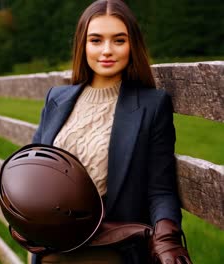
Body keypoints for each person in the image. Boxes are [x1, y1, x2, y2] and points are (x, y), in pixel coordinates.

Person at [29, 0, 192, 263]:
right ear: (83, 45)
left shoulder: (152, 104)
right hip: (51, 247)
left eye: (118, 40)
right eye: (96, 40)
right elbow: (34, 169)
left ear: (132, 45)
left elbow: (160, 188)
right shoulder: (57, 99)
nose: (107, 50)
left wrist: (167, 239)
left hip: (111, 246)